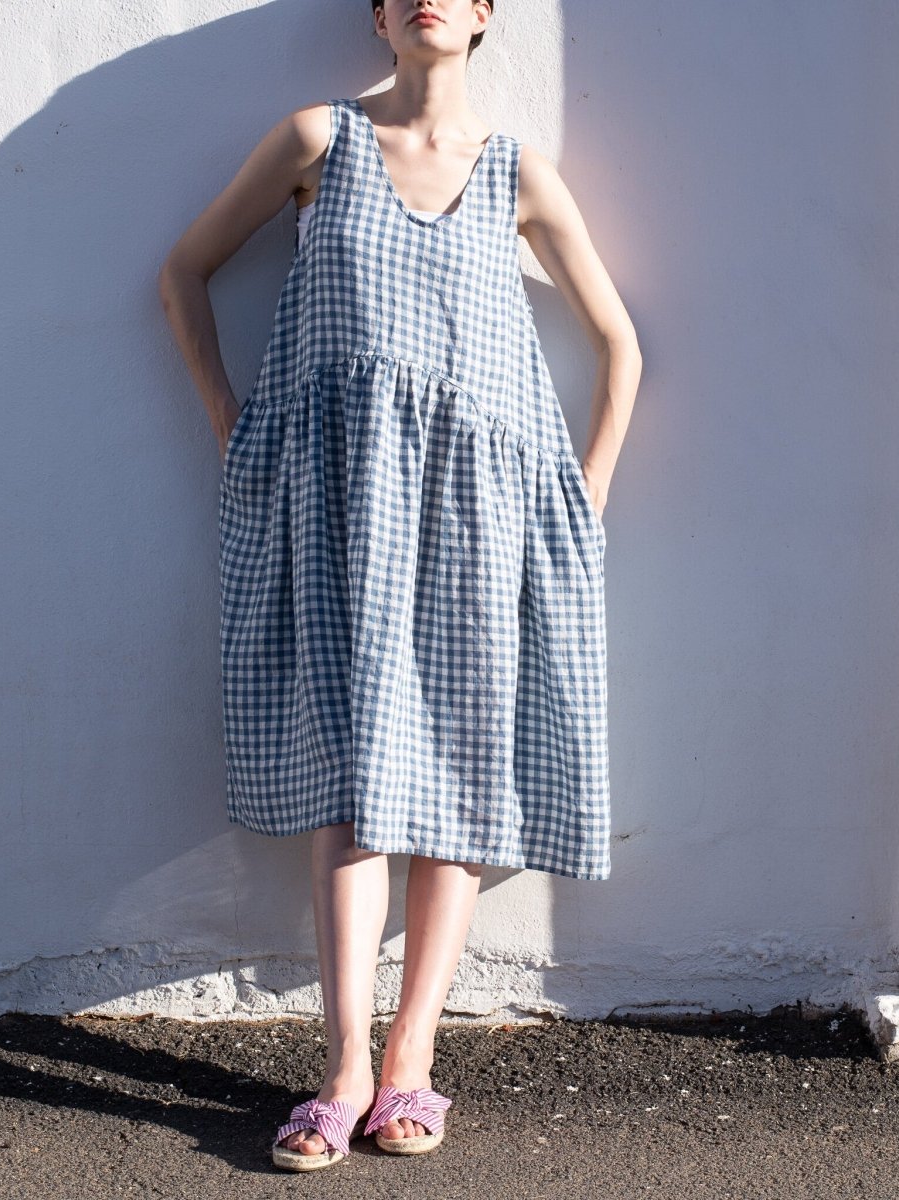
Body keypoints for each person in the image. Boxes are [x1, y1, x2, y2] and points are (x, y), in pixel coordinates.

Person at [157, 0, 641, 1173]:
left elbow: (620, 346)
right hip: (340, 505)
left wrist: (583, 496)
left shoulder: (517, 170)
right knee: (352, 778)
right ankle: (342, 1068)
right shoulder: (318, 142)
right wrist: (233, 423)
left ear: (483, 16)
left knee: (460, 777)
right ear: (377, 17)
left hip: (483, 516)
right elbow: (184, 271)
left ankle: (414, 1061)